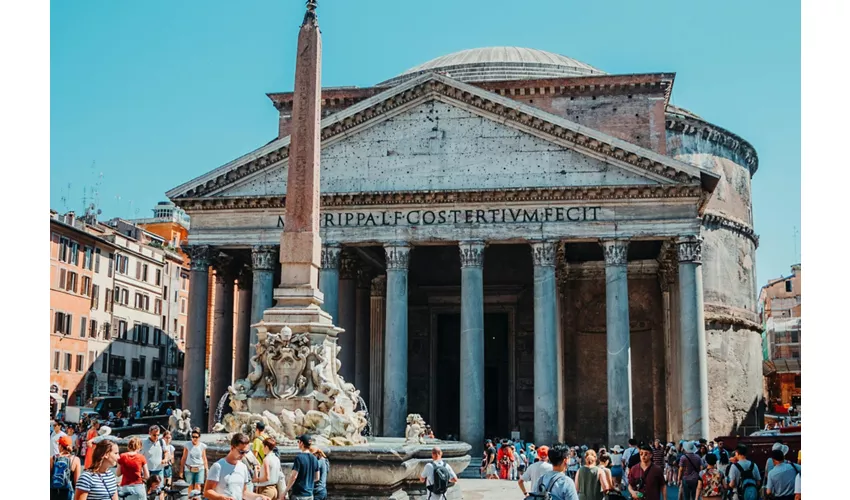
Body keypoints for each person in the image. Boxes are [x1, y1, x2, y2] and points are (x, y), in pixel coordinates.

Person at [204, 433, 270, 500]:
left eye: (246, 452)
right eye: (241, 452)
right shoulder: (218, 466)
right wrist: (222, 498)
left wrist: (260, 497)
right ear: (232, 448)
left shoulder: (243, 467)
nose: (244, 455)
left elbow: (244, 493)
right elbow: (207, 491)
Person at [285, 434, 320, 500]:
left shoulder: (299, 458)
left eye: (298, 442)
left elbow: (293, 477)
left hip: (299, 494)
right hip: (310, 494)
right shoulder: (314, 458)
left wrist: (285, 491)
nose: (298, 443)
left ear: (302, 443)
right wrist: (307, 482)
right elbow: (317, 477)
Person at [180, 427, 208, 496]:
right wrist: (181, 470)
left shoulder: (202, 446)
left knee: (198, 486)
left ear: (199, 437)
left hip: (199, 468)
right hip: (189, 468)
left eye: (196, 437)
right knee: (189, 487)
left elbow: (204, 458)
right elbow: (184, 458)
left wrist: (206, 469)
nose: (194, 438)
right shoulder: (187, 445)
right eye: (193, 437)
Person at [52, 435, 82, 500]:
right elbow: (77, 481)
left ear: (60, 446)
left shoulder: (52, 458)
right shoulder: (75, 459)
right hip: (67, 492)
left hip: (53, 491)